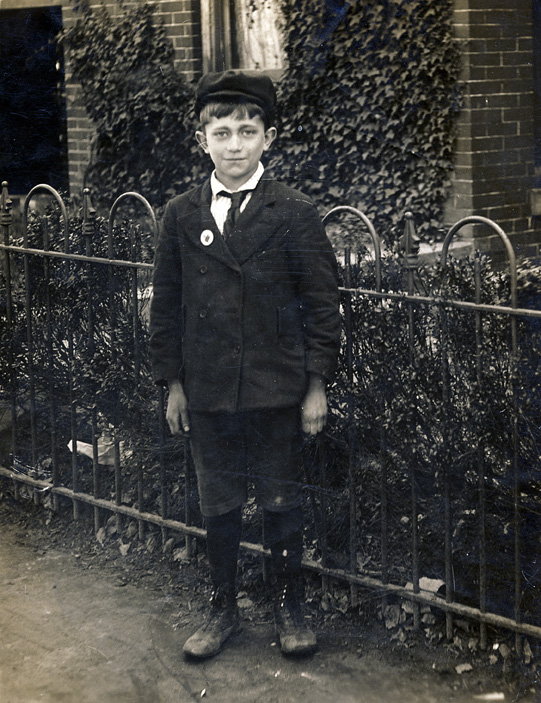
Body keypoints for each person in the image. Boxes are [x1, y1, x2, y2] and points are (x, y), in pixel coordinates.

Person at [149, 70, 340, 659]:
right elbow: (167, 306)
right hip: (207, 390)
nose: (234, 145)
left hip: (275, 389)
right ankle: (222, 607)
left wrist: (315, 386)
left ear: (269, 137)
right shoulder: (182, 214)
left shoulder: (295, 211)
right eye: (222, 131)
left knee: (281, 499)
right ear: (201, 138)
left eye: (247, 131)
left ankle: (290, 607)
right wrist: (173, 384)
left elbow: (322, 303)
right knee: (219, 500)